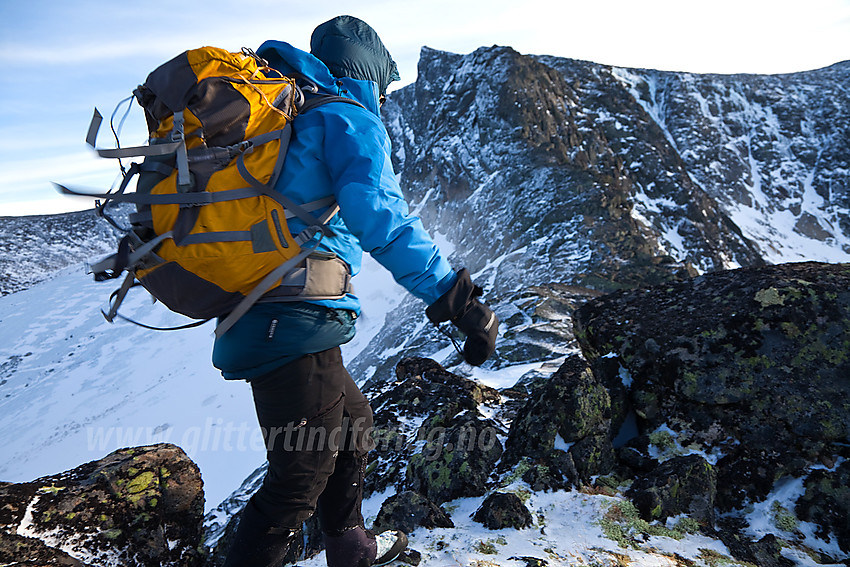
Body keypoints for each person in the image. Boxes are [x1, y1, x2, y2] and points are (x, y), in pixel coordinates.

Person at [215, 15, 498, 567]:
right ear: (367, 74)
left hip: (270, 311)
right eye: (384, 85)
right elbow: (382, 221)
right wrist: (458, 300)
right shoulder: (346, 118)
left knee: (354, 422)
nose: (386, 98)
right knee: (298, 478)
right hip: (292, 317)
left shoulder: (293, 115)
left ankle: (351, 549)